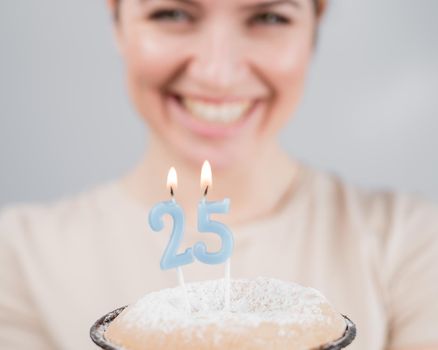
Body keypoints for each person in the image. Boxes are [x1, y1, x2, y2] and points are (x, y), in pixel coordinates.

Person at [1, 0, 437, 349]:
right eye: (171, 13)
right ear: (116, 19)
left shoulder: (414, 242)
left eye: (269, 16)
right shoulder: (15, 258)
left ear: (314, 25)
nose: (218, 72)